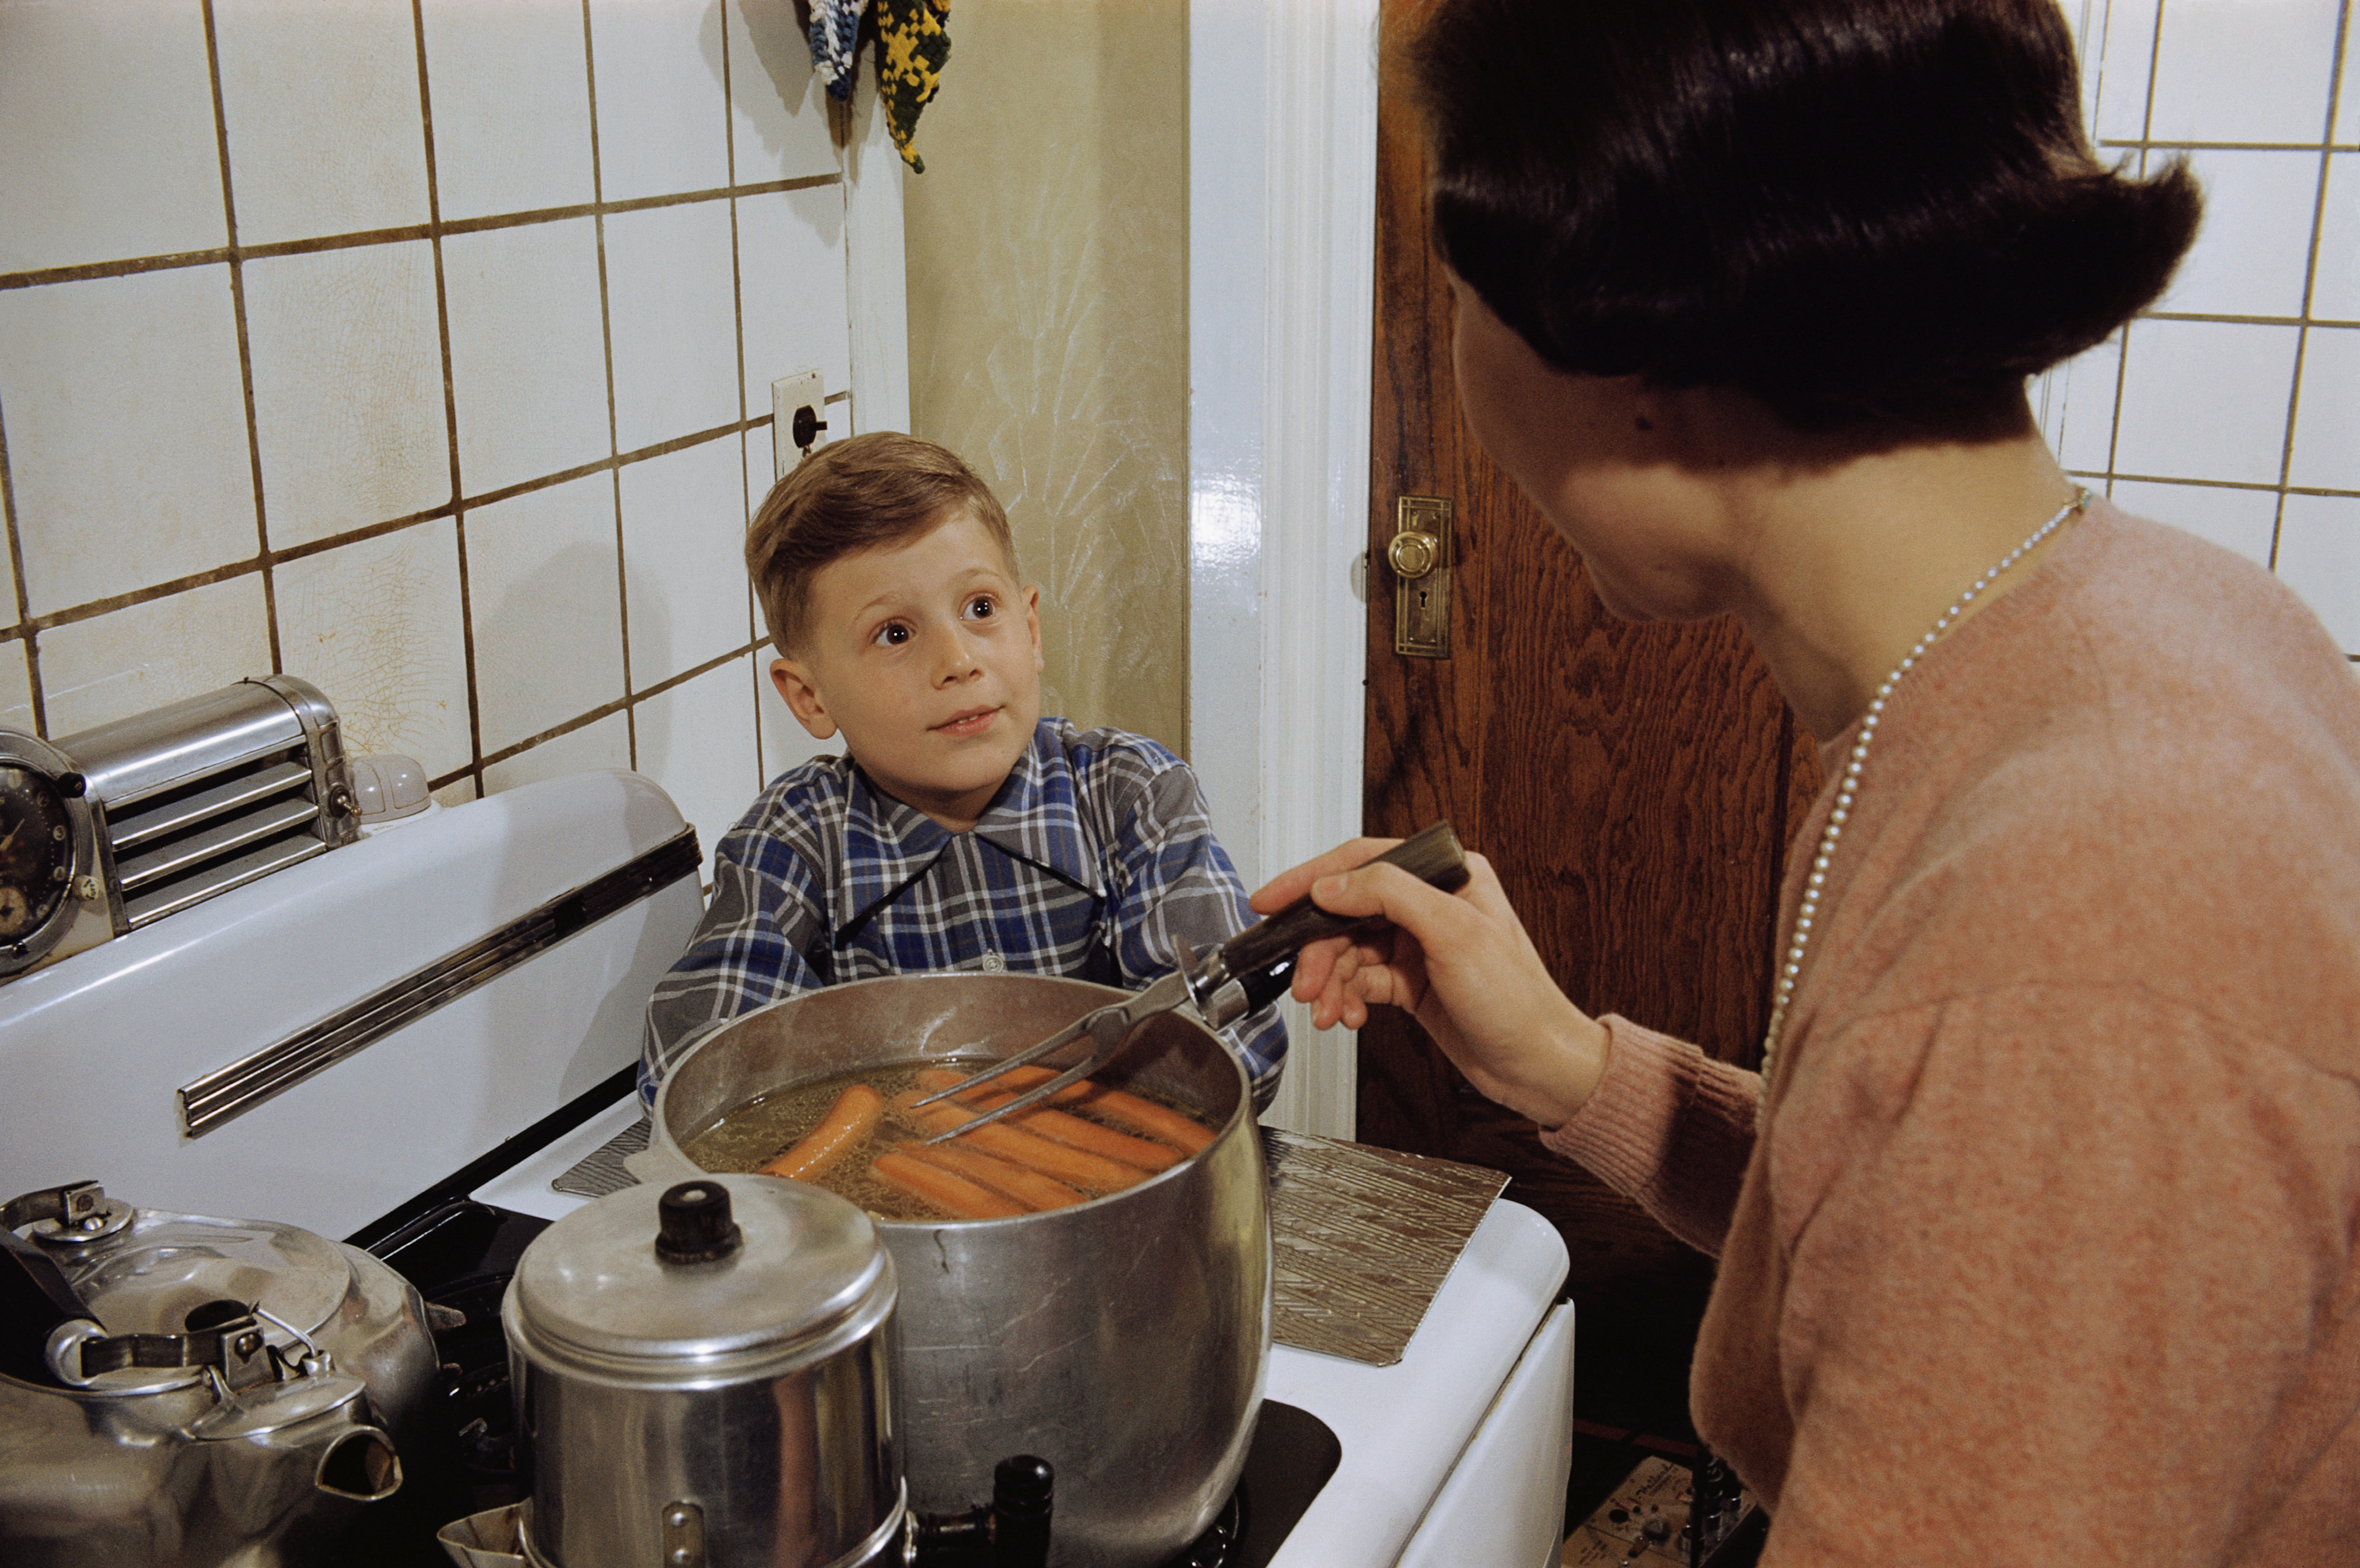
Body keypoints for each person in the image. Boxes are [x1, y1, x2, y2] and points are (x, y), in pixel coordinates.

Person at [1257, 0, 2360, 1560]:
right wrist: (1571, 1064)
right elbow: (1927, 1206)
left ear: (1632, 339)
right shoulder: (2140, 615)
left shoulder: (2082, 898)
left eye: (1455, 290)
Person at [643, 432, 1286, 1108]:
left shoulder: (1134, 795)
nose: (958, 660)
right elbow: (694, 1061)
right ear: (810, 697)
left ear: (1031, 630)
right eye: (895, 633)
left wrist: (1044, 1116)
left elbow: (1240, 1036)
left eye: (981, 609)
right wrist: (894, 1121)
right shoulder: (792, 841)